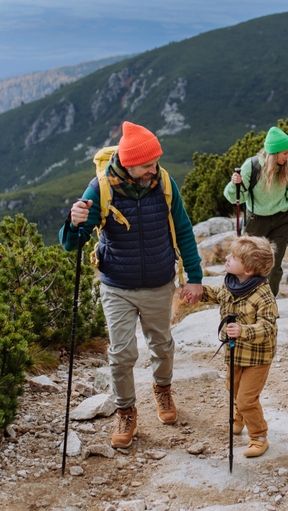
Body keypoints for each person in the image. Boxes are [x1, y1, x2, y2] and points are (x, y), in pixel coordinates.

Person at [59, 121, 203, 449]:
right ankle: (126, 411)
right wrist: (74, 221)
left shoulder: (164, 183)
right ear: (128, 163)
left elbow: (183, 229)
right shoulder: (100, 189)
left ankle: (162, 390)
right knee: (122, 353)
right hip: (117, 286)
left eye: (156, 163)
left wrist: (193, 277)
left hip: (158, 283)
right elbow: (72, 243)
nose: (155, 169)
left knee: (162, 345)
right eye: (148, 164)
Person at [182, 236, 278, 457]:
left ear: (250, 270)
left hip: (257, 358)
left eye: (233, 257)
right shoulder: (231, 283)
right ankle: (239, 416)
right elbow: (217, 294)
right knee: (232, 388)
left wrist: (243, 330)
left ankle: (259, 437)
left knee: (246, 399)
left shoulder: (263, 295)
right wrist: (198, 292)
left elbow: (268, 328)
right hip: (234, 353)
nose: (227, 257)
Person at [224, 126, 288, 297]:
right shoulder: (252, 166)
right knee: (250, 264)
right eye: (285, 153)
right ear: (274, 153)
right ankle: (246, 299)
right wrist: (235, 184)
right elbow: (235, 197)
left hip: (281, 220)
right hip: (257, 221)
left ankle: (269, 303)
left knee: (275, 264)